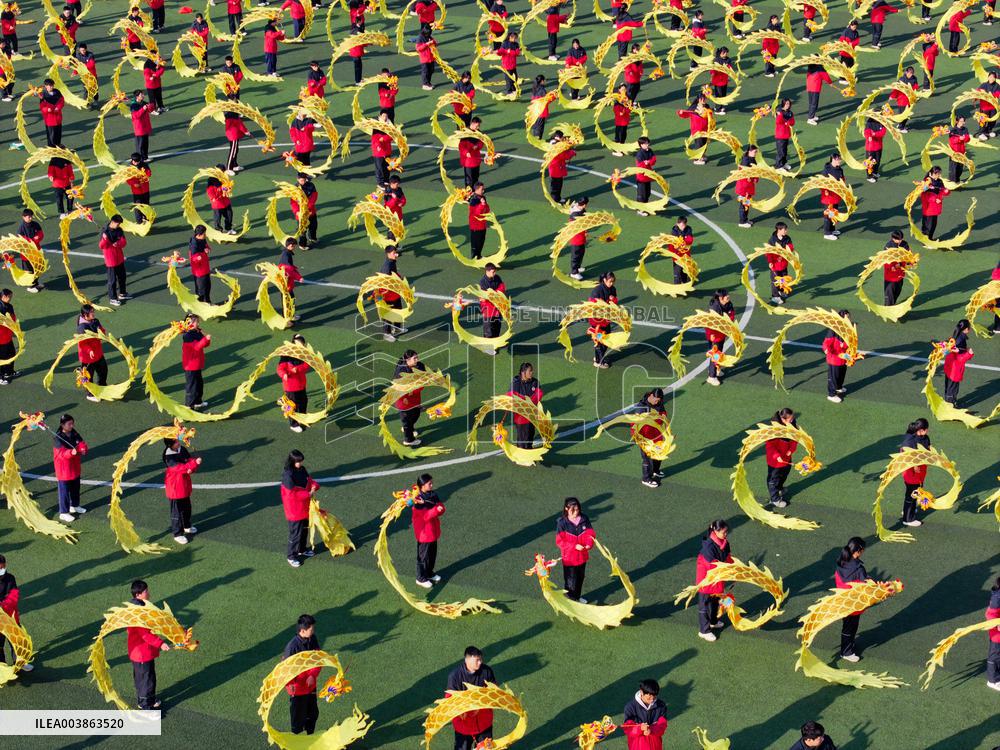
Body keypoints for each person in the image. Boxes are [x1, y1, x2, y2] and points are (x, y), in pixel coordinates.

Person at [127, 580, 169, 709]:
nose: (148, 593)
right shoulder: (138, 612)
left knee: (147, 678)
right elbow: (144, 634)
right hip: (141, 653)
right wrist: (160, 644)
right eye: (146, 591)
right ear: (138, 595)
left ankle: (149, 699)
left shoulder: (137, 607)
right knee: (145, 680)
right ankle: (145, 706)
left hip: (141, 652)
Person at [835, 537, 878, 662]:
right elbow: (867, 584)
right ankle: (846, 652)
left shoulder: (842, 561)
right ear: (858, 550)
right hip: (854, 603)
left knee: (848, 626)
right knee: (851, 627)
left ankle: (848, 646)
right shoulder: (858, 568)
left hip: (844, 600)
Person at [446, 646, 495, 749]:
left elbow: (494, 692)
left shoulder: (487, 671)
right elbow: (450, 700)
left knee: (487, 748)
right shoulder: (455, 676)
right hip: (464, 725)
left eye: (480, 659)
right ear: (467, 659)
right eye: (477, 660)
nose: (480, 662)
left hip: (484, 722)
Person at [283, 614, 321, 733]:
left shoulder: (312, 639)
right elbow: (285, 670)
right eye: (311, 629)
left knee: (313, 714)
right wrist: (292, 688)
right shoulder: (292, 647)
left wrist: (312, 675)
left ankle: (310, 738)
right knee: (298, 721)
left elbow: (319, 659)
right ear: (302, 630)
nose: (313, 631)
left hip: (310, 686)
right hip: (298, 690)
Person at [695, 520, 732, 641]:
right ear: (716, 531)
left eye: (727, 532)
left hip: (717, 576)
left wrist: (735, 568)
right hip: (706, 578)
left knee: (715, 601)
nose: (726, 534)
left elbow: (728, 557)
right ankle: (704, 631)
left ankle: (713, 621)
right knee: (704, 604)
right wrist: (727, 570)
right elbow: (711, 565)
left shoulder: (725, 544)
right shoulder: (708, 546)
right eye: (724, 532)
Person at [280, 450, 319, 567]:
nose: (300, 464)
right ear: (292, 461)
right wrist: (309, 494)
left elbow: (309, 480)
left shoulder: (301, 469)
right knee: (295, 534)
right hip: (294, 510)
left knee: (305, 530)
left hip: (305, 506)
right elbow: (291, 495)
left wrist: (314, 485)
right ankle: (291, 556)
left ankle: (302, 549)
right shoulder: (288, 475)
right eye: (298, 462)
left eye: (301, 461)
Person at [163, 435, 201, 544]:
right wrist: (194, 463)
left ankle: (187, 526)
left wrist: (193, 467)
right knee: (176, 512)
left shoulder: (182, 449)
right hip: (175, 486)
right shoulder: (168, 457)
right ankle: (177, 534)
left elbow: (188, 462)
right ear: (170, 445)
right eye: (176, 442)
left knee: (187, 507)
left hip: (183, 483)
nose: (178, 442)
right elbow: (180, 468)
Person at [555, 497, 595, 602]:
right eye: (573, 510)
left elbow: (590, 534)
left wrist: (588, 545)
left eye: (577, 510)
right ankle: (570, 601)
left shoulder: (584, 519)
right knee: (570, 581)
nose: (576, 512)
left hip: (582, 556)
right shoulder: (562, 523)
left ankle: (576, 597)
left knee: (580, 578)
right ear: (566, 509)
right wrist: (574, 546)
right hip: (569, 558)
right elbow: (560, 542)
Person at [410, 473, 445, 588]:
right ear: (422, 486)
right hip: (424, 533)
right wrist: (436, 510)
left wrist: (439, 509)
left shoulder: (433, 494)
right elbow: (425, 516)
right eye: (429, 483)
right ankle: (420, 578)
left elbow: (441, 507)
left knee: (432, 555)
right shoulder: (417, 500)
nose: (432, 485)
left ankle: (429, 573)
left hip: (433, 530)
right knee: (423, 556)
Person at [52, 414, 88, 522]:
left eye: (72, 423)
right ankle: (63, 512)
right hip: (64, 470)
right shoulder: (58, 438)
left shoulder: (74, 433)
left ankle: (75, 505)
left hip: (75, 467)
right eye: (69, 424)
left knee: (75, 488)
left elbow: (81, 443)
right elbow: (61, 455)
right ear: (62, 425)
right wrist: (71, 452)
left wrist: (83, 449)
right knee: (64, 492)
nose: (72, 426)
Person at [897, 418, 931, 528]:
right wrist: (915, 465)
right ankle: (907, 519)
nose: (927, 432)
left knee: (916, 490)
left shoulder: (924, 437)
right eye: (926, 429)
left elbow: (928, 448)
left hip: (920, 470)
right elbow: (905, 454)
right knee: (911, 493)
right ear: (921, 430)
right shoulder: (910, 440)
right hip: (911, 471)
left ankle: (908, 509)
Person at [0, 554, 31, 672]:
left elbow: (14, 595)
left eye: (3, 567)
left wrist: (3, 606)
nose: (2, 570)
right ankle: (2, 667)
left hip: (11, 617)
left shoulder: (10, 578)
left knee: (17, 641)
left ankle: (20, 663)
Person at [635, 388, 668, 488]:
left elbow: (663, 415)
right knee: (647, 458)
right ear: (651, 396)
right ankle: (646, 478)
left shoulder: (659, 403)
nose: (657, 402)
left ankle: (655, 471)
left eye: (659, 400)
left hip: (656, 435)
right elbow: (636, 423)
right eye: (656, 400)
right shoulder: (641, 407)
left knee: (660, 453)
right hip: (644, 437)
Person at [278, 334, 311, 433]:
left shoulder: (303, 354)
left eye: (302, 343)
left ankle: (302, 418)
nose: (301, 345)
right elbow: (280, 368)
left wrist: (298, 369)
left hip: (301, 384)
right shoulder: (286, 355)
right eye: (299, 343)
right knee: (291, 405)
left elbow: (307, 365)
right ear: (294, 343)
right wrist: (283, 374)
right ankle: (293, 424)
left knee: (303, 402)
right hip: (290, 386)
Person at [622, 679, 668, 750]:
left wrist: (651, 730)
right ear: (641, 692)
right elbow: (628, 728)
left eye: (654, 696)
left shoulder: (661, 706)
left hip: (655, 745)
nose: (652, 699)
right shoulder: (630, 707)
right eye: (649, 696)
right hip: (637, 746)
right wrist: (640, 728)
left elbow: (662, 725)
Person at [765, 408, 797, 508]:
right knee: (773, 479)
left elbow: (795, 440)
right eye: (789, 419)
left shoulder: (792, 425)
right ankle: (775, 499)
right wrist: (777, 456)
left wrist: (791, 450)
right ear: (783, 419)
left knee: (784, 474)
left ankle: (779, 488)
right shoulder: (774, 430)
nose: (792, 421)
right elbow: (769, 446)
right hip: (775, 462)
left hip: (786, 459)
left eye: (792, 418)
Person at [394, 350, 426, 446]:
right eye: (414, 358)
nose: (417, 360)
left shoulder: (419, 365)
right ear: (407, 360)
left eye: (417, 357)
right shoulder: (400, 372)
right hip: (403, 399)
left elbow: (425, 375)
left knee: (415, 414)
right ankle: (409, 440)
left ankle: (409, 428)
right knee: (406, 419)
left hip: (414, 397)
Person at [508, 363, 543, 448]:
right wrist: (525, 402)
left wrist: (529, 402)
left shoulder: (535, 382)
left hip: (532, 414)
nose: (532, 372)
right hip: (520, 415)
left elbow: (539, 393)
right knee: (523, 437)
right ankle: (523, 457)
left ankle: (528, 452)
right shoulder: (516, 383)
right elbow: (510, 396)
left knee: (530, 434)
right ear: (523, 372)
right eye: (530, 371)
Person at [77, 305, 108, 400]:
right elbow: (82, 343)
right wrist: (89, 351)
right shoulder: (82, 327)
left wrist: (102, 332)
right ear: (85, 315)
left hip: (98, 352)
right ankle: (90, 394)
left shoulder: (95, 321)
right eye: (91, 312)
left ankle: (102, 386)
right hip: (87, 357)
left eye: (93, 311)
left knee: (103, 370)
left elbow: (101, 330)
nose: (93, 313)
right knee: (87, 376)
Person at [706, 289, 736, 386]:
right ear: (720, 298)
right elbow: (710, 323)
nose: (728, 296)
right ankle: (712, 376)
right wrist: (711, 334)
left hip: (722, 332)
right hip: (714, 334)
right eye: (726, 295)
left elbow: (731, 315)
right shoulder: (714, 307)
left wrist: (729, 325)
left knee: (719, 351)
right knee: (715, 354)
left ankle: (717, 369)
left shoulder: (729, 304)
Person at [181, 314, 211, 410]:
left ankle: (198, 402)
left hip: (197, 364)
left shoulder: (197, 332)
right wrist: (205, 339)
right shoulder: (187, 335)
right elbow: (196, 347)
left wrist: (206, 339)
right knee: (191, 387)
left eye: (197, 322)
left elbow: (205, 345)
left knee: (199, 384)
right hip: (190, 365)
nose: (198, 323)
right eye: (196, 322)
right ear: (189, 323)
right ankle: (188, 406)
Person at [589, 272, 618, 369]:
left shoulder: (612, 289)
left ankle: (598, 357)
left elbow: (614, 304)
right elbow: (592, 305)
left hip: (606, 320)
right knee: (599, 340)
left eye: (613, 282)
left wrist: (613, 300)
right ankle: (598, 361)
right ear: (605, 280)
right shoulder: (597, 290)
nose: (612, 284)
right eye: (610, 281)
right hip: (596, 322)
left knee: (606, 338)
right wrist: (606, 303)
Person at [822, 309, 852, 403]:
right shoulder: (833, 330)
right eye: (847, 317)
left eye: (849, 317)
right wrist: (827, 350)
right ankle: (831, 394)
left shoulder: (847, 329)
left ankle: (839, 387)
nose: (849, 319)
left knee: (841, 375)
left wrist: (849, 357)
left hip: (843, 357)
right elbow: (826, 343)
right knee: (834, 377)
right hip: (834, 359)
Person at [942, 319, 973, 405]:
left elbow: (950, 351)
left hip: (949, 365)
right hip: (955, 369)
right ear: (966, 329)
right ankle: (950, 406)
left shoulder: (954, 336)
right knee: (952, 389)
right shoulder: (961, 341)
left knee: (948, 387)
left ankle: (948, 402)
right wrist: (969, 354)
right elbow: (960, 358)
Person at [100, 215, 129, 307]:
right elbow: (101, 246)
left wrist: (118, 244)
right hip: (110, 260)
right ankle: (112, 298)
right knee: (112, 280)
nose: (119, 225)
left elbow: (124, 242)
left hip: (119, 258)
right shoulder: (104, 232)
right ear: (112, 222)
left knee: (122, 276)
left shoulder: (119, 230)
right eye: (118, 223)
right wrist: (104, 239)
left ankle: (122, 293)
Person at [677, 94, 712, 165]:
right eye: (701, 99)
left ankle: (702, 155)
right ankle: (697, 158)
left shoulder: (707, 106)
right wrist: (680, 113)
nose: (703, 100)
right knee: (699, 144)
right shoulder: (693, 107)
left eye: (704, 99)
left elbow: (710, 115)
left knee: (704, 143)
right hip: (697, 130)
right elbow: (686, 114)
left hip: (705, 129)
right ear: (698, 100)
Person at [379, 245, 404, 341]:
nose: (396, 254)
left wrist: (399, 278)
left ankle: (397, 328)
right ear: (388, 254)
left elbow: (394, 274)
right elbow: (384, 281)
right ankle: (387, 334)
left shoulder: (392, 262)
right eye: (394, 253)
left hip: (394, 292)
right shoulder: (387, 266)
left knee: (398, 310)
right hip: (388, 295)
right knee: (388, 314)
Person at [479, 263, 505, 355]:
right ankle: (487, 347)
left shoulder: (497, 277)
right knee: (488, 328)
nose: (494, 273)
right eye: (493, 272)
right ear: (487, 271)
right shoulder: (483, 282)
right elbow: (485, 296)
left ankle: (495, 344)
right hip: (488, 308)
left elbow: (502, 287)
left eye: (495, 271)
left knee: (497, 327)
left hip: (497, 307)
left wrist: (494, 294)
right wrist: (496, 294)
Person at [767, 222, 795, 305]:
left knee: (783, 278)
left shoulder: (787, 238)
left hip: (783, 264)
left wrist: (785, 250)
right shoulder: (772, 240)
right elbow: (768, 252)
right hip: (775, 265)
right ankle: (775, 296)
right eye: (784, 229)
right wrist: (770, 262)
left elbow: (791, 247)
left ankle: (781, 290)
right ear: (779, 230)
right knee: (775, 281)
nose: (786, 231)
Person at [16, 208, 44, 293]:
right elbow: (20, 239)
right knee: (29, 270)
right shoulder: (21, 227)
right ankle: (31, 286)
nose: (30, 218)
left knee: (38, 268)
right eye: (28, 217)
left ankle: (35, 283)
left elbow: (41, 233)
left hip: (36, 251)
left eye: (31, 216)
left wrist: (37, 238)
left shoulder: (35, 224)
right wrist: (31, 240)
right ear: (23, 217)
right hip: (26, 254)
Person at [820, 153, 846, 240]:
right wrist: (826, 191)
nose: (840, 161)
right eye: (839, 159)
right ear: (833, 160)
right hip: (828, 197)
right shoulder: (826, 170)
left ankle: (832, 229)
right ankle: (827, 233)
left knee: (834, 213)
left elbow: (842, 180)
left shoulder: (840, 169)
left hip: (836, 196)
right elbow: (822, 183)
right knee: (829, 214)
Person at [547, 130, 576, 204]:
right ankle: (555, 200)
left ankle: (556, 198)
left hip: (555, 166)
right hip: (556, 167)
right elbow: (563, 155)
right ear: (557, 137)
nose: (562, 138)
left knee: (556, 184)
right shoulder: (557, 145)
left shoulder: (553, 143)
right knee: (556, 185)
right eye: (561, 137)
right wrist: (572, 153)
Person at [919, 166, 948, 240]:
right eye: (936, 174)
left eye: (939, 174)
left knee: (933, 224)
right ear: (930, 173)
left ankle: (929, 238)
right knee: (928, 225)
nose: (938, 176)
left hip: (935, 207)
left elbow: (942, 191)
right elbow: (924, 195)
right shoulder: (927, 182)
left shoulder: (939, 182)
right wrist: (935, 199)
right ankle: (926, 240)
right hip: (928, 207)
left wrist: (946, 192)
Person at [222, 93, 248, 174]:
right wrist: (245, 131)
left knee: (236, 149)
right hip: (233, 133)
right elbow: (238, 123)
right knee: (233, 150)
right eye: (235, 99)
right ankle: (229, 168)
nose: (237, 100)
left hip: (233, 132)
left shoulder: (230, 109)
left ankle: (234, 165)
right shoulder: (232, 111)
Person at [291, 172, 318, 249]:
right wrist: (297, 212)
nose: (303, 181)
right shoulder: (294, 188)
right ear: (298, 179)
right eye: (301, 180)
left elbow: (314, 196)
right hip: (301, 214)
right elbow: (293, 202)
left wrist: (308, 208)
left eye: (304, 180)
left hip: (311, 212)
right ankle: (302, 245)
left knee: (314, 225)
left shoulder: (311, 185)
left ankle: (312, 238)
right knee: (302, 230)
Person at [278, 239, 303, 322]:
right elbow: (289, 269)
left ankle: (287, 316)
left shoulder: (286, 253)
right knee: (289, 299)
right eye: (294, 245)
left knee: (287, 299)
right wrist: (299, 277)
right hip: (286, 283)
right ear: (290, 245)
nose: (294, 247)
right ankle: (289, 317)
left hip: (285, 282)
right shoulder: (286, 255)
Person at [882, 230, 910, 306]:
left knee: (897, 292)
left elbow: (908, 255)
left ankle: (892, 305)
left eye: (901, 239)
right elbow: (885, 261)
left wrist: (910, 261)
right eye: (898, 239)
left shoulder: (905, 244)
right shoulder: (888, 247)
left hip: (900, 274)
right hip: (890, 277)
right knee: (889, 296)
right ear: (893, 238)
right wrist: (893, 266)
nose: (900, 241)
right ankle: (888, 310)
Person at [735, 144, 759, 227]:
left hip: (748, 186)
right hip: (744, 186)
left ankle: (745, 219)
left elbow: (755, 171)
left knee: (747, 203)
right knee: (743, 204)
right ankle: (742, 222)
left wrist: (755, 178)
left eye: (756, 152)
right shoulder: (746, 159)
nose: (756, 153)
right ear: (750, 151)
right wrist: (750, 177)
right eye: (755, 152)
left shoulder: (752, 159)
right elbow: (744, 171)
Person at [206, 166, 235, 233]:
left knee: (229, 216)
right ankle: (218, 230)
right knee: (217, 219)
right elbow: (213, 197)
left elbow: (226, 188)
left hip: (226, 202)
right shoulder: (210, 188)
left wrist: (228, 189)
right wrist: (221, 191)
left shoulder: (223, 182)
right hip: (217, 205)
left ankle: (228, 228)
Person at [38, 79, 65, 147]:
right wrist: (47, 109)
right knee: (51, 136)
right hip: (50, 119)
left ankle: (58, 144)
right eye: (50, 86)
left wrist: (58, 107)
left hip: (58, 117)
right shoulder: (43, 95)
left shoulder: (57, 92)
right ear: (46, 86)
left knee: (58, 133)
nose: (51, 87)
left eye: (52, 86)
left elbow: (61, 101)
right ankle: (51, 147)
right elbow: (42, 107)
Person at [567, 197, 588, 280]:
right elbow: (574, 227)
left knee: (581, 252)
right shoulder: (575, 214)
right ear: (584, 204)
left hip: (581, 236)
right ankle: (574, 272)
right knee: (575, 255)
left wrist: (585, 231)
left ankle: (578, 267)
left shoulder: (580, 211)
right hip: (576, 238)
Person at [127, 153, 152, 224]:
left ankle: (146, 218)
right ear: (132, 160)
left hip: (145, 189)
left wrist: (142, 176)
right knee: (138, 206)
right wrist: (134, 183)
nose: (136, 163)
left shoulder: (144, 165)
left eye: (137, 161)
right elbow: (128, 179)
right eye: (135, 161)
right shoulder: (129, 168)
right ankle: (139, 221)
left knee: (146, 205)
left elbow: (149, 174)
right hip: (136, 192)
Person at [634, 137, 656, 216]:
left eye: (648, 143)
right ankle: (640, 209)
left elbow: (654, 159)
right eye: (646, 143)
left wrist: (648, 162)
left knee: (647, 193)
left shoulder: (650, 151)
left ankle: (645, 207)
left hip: (648, 176)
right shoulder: (639, 154)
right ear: (641, 145)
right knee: (641, 194)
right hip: (641, 177)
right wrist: (645, 163)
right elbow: (639, 165)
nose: (648, 145)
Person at [459, 118, 484, 187]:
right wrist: (466, 152)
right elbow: (461, 146)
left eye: (479, 126)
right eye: (477, 126)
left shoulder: (478, 132)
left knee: (476, 177)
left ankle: (475, 191)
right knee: (469, 179)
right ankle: (469, 193)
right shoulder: (465, 133)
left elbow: (481, 142)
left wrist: (477, 146)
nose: (478, 127)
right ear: (472, 124)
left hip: (476, 159)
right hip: (468, 161)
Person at [0, 289, 18, 385]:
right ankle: (0, 376)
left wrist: (15, 331)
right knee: (2, 358)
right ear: (4, 297)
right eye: (9, 297)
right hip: (1, 339)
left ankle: (9, 372)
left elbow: (12, 319)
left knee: (11, 354)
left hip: (8, 336)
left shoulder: (9, 306)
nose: (11, 298)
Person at [371, 111, 393, 188]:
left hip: (387, 150)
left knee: (387, 166)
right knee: (379, 167)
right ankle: (380, 182)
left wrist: (384, 138)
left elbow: (392, 136)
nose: (385, 117)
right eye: (383, 116)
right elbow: (375, 139)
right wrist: (380, 141)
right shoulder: (376, 125)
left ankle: (386, 180)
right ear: (380, 116)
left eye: (386, 116)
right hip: (378, 150)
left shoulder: (390, 125)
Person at [975, 71, 999, 140]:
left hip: (993, 106)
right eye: (990, 77)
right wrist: (975, 98)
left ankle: (989, 130)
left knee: (993, 119)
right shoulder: (984, 85)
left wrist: (991, 95)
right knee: (983, 119)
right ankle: (981, 133)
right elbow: (977, 92)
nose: (991, 78)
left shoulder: (997, 86)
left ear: (995, 78)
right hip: (984, 106)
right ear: (988, 77)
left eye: (993, 77)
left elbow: (998, 94)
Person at [670, 216, 694, 284]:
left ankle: (685, 281)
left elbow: (690, 240)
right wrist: (683, 242)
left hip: (686, 254)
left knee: (685, 269)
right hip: (677, 255)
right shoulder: (674, 231)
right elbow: (674, 244)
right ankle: (677, 287)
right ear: (677, 224)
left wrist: (684, 242)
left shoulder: (688, 229)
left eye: (684, 225)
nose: (682, 227)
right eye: (681, 225)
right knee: (677, 272)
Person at [74, 43, 99, 108]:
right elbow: (77, 65)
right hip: (84, 76)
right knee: (85, 89)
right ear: (79, 50)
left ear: (86, 49)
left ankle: (96, 100)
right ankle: (86, 103)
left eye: (84, 50)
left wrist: (83, 66)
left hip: (92, 76)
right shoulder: (78, 55)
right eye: (81, 50)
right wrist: (75, 72)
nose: (83, 52)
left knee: (94, 89)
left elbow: (92, 65)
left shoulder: (90, 55)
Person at [710, 47, 733, 114]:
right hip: (717, 81)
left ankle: (722, 107)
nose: (725, 54)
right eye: (723, 53)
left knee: (723, 94)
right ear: (720, 53)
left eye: (726, 52)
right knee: (718, 95)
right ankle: (717, 109)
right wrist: (712, 76)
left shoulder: (728, 60)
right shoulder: (716, 60)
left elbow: (730, 68)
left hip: (724, 80)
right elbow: (712, 69)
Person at [948, 114, 971, 184]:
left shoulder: (965, 129)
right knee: (953, 167)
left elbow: (968, 139)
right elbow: (952, 141)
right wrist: (959, 139)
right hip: (954, 152)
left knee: (960, 168)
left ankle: (957, 179)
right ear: (957, 121)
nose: (962, 123)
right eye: (961, 121)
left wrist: (965, 138)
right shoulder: (953, 130)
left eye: (963, 121)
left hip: (962, 151)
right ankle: (952, 181)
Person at [774, 98, 795, 171]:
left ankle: (784, 163)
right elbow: (778, 122)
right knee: (781, 152)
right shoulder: (779, 112)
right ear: (783, 104)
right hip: (780, 135)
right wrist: (780, 116)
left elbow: (792, 122)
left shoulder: (790, 113)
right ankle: (778, 166)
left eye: (789, 104)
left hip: (786, 135)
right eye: (786, 104)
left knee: (785, 151)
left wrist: (787, 123)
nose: (788, 105)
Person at [863, 117, 885, 183]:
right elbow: (866, 133)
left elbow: (883, 132)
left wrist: (874, 134)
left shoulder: (882, 122)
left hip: (879, 146)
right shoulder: (869, 123)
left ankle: (875, 173)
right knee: (869, 162)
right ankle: (869, 176)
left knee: (877, 161)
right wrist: (871, 135)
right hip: (870, 147)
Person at [987, 578, 1000, 691]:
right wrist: (997, 625)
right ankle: (993, 681)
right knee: (995, 656)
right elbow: (990, 614)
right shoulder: (997, 599)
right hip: (997, 633)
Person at [498, 32, 520, 96]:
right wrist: (506, 51)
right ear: (510, 37)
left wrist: (510, 52)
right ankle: (509, 92)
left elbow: (517, 53)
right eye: (514, 38)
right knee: (508, 80)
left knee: (515, 78)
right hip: (507, 65)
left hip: (513, 65)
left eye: (516, 38)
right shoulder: (504, 44)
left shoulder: (516, 44)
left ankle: (513, 89)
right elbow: (500, 52)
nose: (515, 39)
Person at [612, 84, 632, 156]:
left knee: (623, 134)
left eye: (624, 89)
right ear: (619, 90)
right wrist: (620, 112)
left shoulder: (627, 98)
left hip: (625, 120)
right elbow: (615, 108)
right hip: (619, 120)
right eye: (622, 89)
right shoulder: (617, 98)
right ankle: (617, 149)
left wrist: (626, 109)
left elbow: (630, 108)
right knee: (618, 134)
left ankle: (622, 146)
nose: (623, 90)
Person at [347, 20, 366, 84]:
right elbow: (361, 41)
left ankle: (359, 80)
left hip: (356, 52)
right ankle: (357, 81)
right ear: (359, 22)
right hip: (356, 52)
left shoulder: (355, 29)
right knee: (358, 67)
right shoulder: (356, 31)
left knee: (359, 66)